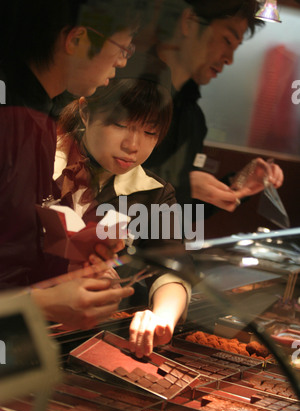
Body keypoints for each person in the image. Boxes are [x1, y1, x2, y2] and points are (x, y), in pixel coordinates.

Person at [0, 0, 151, 330]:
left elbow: (15, 245)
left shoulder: (39, 116)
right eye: (122, 48)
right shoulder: (12, 115)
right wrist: (41, 303)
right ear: (77, 39)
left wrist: (78, 249)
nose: (121, 62)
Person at [54, 53, 191, 358]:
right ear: (86, 112)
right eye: (120, 125)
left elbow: (171, 271)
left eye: (150, 132)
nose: (133, 145)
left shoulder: (153, 193)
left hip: (97, 345)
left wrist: (161, 317)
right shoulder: (35, 162)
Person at [143, 0, 284, 220]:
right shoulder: (129, 93)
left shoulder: (193, 119)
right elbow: (99, 187)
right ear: (188, 22)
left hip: (159, 249)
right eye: (227, 40)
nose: (229, 59)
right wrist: (183, 185)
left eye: (235, 48)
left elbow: (183, 215)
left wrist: (235, 184)